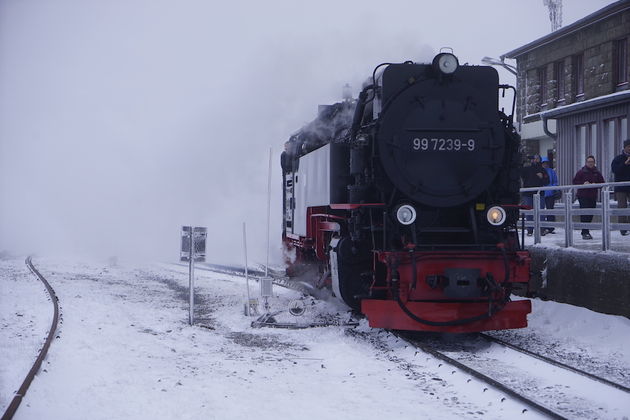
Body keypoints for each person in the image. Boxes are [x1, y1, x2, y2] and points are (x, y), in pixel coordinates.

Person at [572, 155, 605, 240]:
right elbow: (575, 181)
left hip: (593, 196)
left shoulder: (597, 172)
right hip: (583, 195)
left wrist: (596, 184)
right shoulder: (581, 172)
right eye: (589, 162)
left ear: (594, 163)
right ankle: (585, 232)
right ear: (586, 163)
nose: (590, 163)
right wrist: (583, 183)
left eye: (592, 162)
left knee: (590, 213)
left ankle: (587, 230)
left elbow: (602, 183)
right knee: (584, 213)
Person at [521, 154, 549, 236]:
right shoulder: (526, 169)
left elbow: (547, 181)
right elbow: (520, 173)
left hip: (539, 193)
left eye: (537, 158)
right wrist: (523, 162)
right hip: (528, 194)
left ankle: (542, 229)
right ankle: (530, 230)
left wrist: (542, 178)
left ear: (540, 160)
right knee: (529, 212)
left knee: (540, 212)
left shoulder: (542, 170)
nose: (535, 160)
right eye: (534, 158)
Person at [610, 139, 630, 236]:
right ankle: (623, 228)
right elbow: (615, 170)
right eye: (629, 146)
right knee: (622, 207)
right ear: (625, 147)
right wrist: (625, 164)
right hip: (621, 187)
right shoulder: (618, 159)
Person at [541, 157, 559, 234]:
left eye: (546, 163)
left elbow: (555, 181)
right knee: (541, 211)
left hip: (550, 193)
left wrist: (553, 188)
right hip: (541, 193)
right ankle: (542, 227)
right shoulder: (539, 171)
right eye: (543, 163)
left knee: (550, 210)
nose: (545, 165)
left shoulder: (552, 171)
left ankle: (551, 227)